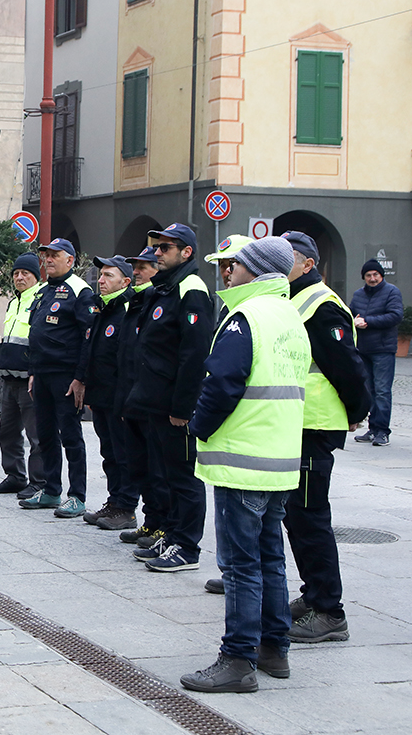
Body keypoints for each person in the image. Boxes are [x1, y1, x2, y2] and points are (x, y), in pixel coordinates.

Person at [182, 236, 308, 693]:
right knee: (271, 557)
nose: (228, 271)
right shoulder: (289, 316)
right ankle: (274, 649)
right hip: (278, 458)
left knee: (240, 565)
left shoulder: (246, 316)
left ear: (255, 271)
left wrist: (197, 426)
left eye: (236, 265)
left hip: (243, 459)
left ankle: (238, 659)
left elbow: (223, 383)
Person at [281, 230, 371, 643]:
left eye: (288, 257)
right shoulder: (294, 299)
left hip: (314, 425)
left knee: (310, 517)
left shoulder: (320, 305)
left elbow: (347, 367)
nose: (281, 264)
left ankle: (329, 611)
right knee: (297, 517)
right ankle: (313, 593)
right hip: (297, 423)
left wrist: (357, 411)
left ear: (308, 264)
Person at [128, 223, 213, 572]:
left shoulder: (191, 289)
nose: (157, 253)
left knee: (183, 476)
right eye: (157, 247)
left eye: (165, 248)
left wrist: (183, 407)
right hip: (155, 399)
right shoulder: (166, 287)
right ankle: (174, 535)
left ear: (186, 253)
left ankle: (187, 547)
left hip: (173, 405)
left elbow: (194, 355)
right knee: (165, 474)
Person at [19, 238, 93, 517]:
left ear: (70, 260)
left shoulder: (80, 291)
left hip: (66, 376)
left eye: (54, 255)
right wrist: (33, 372)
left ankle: (77, 496)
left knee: (71, 436)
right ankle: (51, 490)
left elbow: (88, 339)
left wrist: (80, 378)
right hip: (43, 374)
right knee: (45, 434)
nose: (48, 260)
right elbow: (37, 334)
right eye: (46, 256)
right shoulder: (44, 291)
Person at [116, 246, 169, 545]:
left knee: (159, 469)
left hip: (152, 399)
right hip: (131, 397)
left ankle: (163, 524)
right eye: (134, 266)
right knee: (140, 466)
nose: (136, 272)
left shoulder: (158, 300)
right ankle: (151, 521)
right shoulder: (137, 302)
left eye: (142, 267)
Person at [82, 256, 138, 531]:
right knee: (109, 454)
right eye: (100, 275)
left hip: (120, 398)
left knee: (124, 453)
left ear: (126, 281)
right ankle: (114, 501)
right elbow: (92, 351)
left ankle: (127, 507)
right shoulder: (102, 308)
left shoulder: (127, 309)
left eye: (108, 276)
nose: (101, 280)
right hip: (101, 396)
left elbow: (128, 359)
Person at [0, 252, 45, 496]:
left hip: (29, 379)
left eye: (25, 273)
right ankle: (15, 476)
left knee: (36, 436)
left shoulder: (41, 300)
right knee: (8, 433)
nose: (19, 278)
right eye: (16, 274)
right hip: (9, 378)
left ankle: (39, 482)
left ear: (36, 276)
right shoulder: (14, 301)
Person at [350, 257, 402, 446]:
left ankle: (382, 431)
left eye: (375, 275)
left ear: (381, 275)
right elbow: (350, 314)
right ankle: (372, 429)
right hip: (363, 349)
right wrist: (352, 322)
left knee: (382, 391)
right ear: (364, 277)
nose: (372, 278)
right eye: (368, 275)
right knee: (369, 390)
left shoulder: (392, 292)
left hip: (383, 349)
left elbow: (396, 316)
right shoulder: (358, 295)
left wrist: (368, 322)